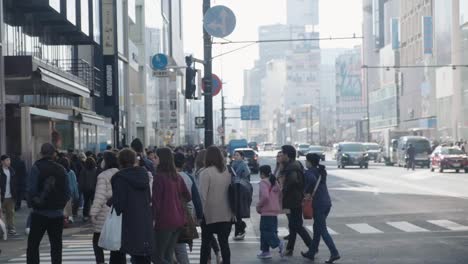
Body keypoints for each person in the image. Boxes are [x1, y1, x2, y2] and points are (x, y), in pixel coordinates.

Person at [27, 143, 70, 264]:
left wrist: (34, 203)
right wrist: (61, 204)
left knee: (33, 245)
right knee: (56, 246)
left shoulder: (36, 167)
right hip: (57, 213)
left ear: (41, 153)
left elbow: (31, 190)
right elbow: (68, 192)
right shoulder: (61, 169)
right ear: (53, 154)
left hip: (39, 213)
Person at [111, 148, 153, 263]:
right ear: (135, 160)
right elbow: (149, 198)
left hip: (128, 221)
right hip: (145, 219)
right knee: (143, 255)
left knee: (129, 253)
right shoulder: (143, 175)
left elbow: (119, 205)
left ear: (120, 161)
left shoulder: (120, 178)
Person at [152, 148, 191, 264]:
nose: (153, 160)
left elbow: (156, 202)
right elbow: (188, 196)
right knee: (167, 255)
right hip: (179, 220)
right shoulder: (177, 177)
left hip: (164, 221)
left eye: (156, 157)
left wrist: (151, 220)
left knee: (157, 257)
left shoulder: (159, 178)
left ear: (162, 159)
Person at [301, 154, 340, 263]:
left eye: (306, 160)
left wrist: (306, 191)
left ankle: (334, 252)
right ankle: (311, 252)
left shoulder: (309, 172)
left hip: (318, 204)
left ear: (310, 162)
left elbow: (312, 181)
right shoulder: (321, 170)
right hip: (326, 202)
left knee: (322, 229)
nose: (305, 162)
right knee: (317, 228)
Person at [199, 146, 234, 264]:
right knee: (224, 243)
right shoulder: (227, 171)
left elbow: (202, 196)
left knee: (205, 245)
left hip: (209, 214)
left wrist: (199, 215)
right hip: (226, 213)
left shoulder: (205, 173)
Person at [279, 145, 312, 257]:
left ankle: (312, 247)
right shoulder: (293, 164)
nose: (281, 155)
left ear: (287, 155)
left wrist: (284, 189)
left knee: (296, 225)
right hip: (295, 199)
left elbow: (292, 180)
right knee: (293, 226)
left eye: (282, 154)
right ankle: (290, 249)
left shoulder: (292, 167)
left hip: (294, 200)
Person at [89, 151, 121, 264]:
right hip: (118, 213)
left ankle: (101, 262)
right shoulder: (121, 173)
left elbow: (99, 197)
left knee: (97, 241)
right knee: (116, 244)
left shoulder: (103, 176)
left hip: (104, 214)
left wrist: (93, 213)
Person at [194, 149, 222, 263]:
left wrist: (198, 212)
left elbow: (200, 193)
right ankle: (216, 254)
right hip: (212, 208)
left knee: (206, 237)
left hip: (204, 207)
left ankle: (212, 256)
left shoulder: (201, 172)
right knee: (208, 235)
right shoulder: (208, 171)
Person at [174, 153, 202, 264]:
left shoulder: (165, 176)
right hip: (185, 216)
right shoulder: (188, 177)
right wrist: (198, 216)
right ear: (184, 163)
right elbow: (195, 198)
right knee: (181, 247)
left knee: (168, 249)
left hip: (168, 218)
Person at [256, 165, 284, 259]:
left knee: (265, 231)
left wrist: (259, 205)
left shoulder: (264, 182)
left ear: (262, 173)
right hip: (274, 210)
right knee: (269, 231)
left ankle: (278, 243)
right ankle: (265, 251)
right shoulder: (274, 181)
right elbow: (280, 194)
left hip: (266, 211)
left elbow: (265, 197)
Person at [231, 150, 251, 240]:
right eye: (235, 155)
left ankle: (240, 229)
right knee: (235, 212)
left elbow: (246, 177)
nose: (235, 156)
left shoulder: (244, 165)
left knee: (238, 211)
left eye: (237, 155)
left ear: (242, 157)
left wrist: (237, 179)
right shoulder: (233, 165)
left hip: (241, 190)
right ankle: (239, 230)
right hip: (234, 189)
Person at [56, 157, 79, 226]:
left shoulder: (57, 171)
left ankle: (61, 220)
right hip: (69, 194)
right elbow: (74, 185)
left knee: (60, 209)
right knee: (67, 209)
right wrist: (76, 196)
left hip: (59, 194)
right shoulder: (71, 172)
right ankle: (66, 220)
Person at [1, 155, 18, 236]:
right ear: (2, 161)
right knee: (1, 214)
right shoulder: (0, 171)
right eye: (7, 160)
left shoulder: (12, 171)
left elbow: (15, 183)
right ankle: (2, 230)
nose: (9, 162)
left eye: (9, 160)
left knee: (10, 213)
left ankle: (11, 228)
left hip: (10, 196)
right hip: (2, 196)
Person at [79, 157, 97, 222]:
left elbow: (81, 180)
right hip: (94, 189)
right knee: (94, 203)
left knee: (86, 203)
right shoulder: (96, 170)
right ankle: (93, 215)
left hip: (85, 189)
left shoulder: (83, 170)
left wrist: (81, 189)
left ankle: (85, 215)